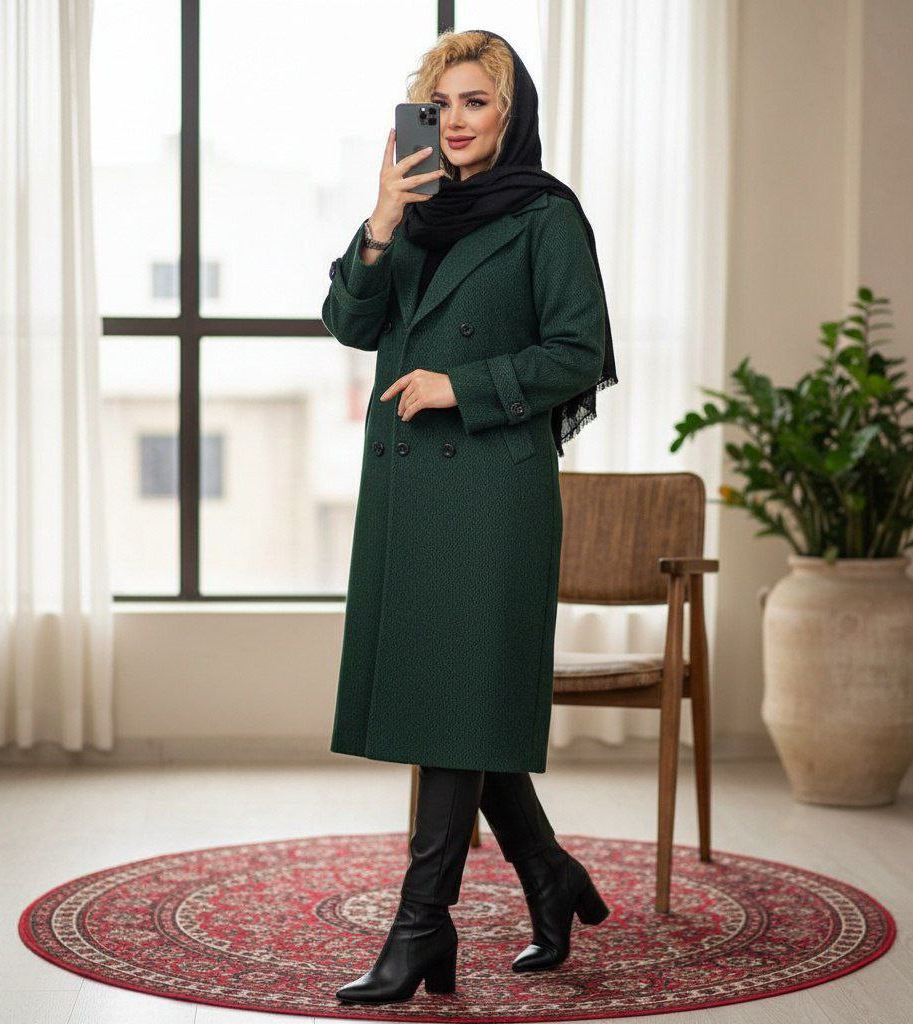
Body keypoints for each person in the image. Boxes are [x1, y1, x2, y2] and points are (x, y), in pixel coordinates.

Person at [322, 28, 618, 1004]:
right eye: (439, 103)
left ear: (509, 112)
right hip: (409, 488)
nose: (453, 120)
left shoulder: (545, 215)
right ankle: (548, 873)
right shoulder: (413, 212)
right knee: (456, 700)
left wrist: (461, 384)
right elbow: (350, 323)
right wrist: (380, 219)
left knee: (456, 697)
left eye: (475, 102)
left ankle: (420, 926)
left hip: (493, 491)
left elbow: (578, 352)